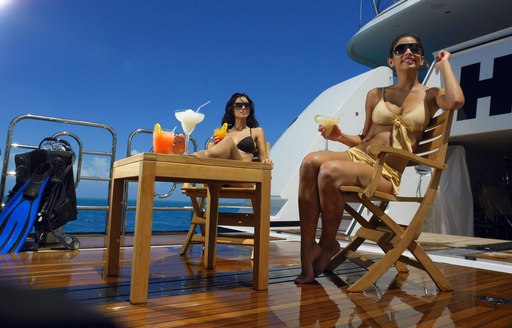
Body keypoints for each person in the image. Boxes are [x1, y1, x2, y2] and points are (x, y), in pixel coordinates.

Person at [294, 34, 465, 284]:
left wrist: (445, 64)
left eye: (414, 48)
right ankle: (307, 247)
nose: (408, 51)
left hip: (385, 172)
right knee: (310, 161)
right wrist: (340, 136)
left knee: (329, 171)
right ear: (391, 60)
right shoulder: (376, 94)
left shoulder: (430, 95)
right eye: (400, 49)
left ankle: (328, 243)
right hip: (358, 156)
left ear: (421, 59)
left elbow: (456, 100)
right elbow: (364, 137)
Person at [194, 92, 272, 165]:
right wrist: (216, 144)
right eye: (238, 105)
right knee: (215, 145)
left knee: (228, 140)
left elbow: (263, 157)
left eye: (247, 105)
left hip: (244, 168)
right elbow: (214, 153)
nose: (243, 107)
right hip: (225, 169)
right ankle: (189, 156)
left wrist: (266, 160)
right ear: (232, 109)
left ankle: (191, 156)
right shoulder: (224, 131)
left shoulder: (257, 131)